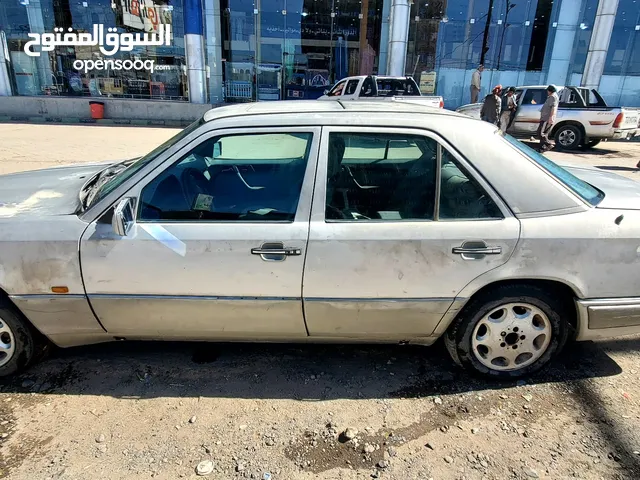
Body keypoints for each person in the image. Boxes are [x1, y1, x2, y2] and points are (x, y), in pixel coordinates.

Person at [537, 85, 559, 152]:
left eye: (548, 90)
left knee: (540, 133)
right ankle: (542, 148)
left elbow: (553, 108)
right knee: (544, 133)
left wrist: (550, 117)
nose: (547, 91)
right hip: (545, 117)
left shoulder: (553, 97)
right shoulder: (552, 96)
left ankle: (548, 144)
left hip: (546, 118)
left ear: (550, 91)